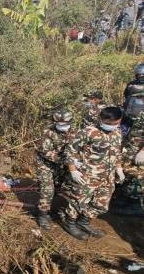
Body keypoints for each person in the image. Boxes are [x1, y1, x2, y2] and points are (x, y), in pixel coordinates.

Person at [62, 106, 124, 240]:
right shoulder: (88, 132)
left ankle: (84, 221)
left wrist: (119, 168)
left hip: (108, 176)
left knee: (101, 205)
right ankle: (69, 223)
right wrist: (73, 171)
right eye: (107, 123)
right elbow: (70, 151)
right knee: (79, 201)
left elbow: (117, 151)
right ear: (101, 119)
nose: (111, 126)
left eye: (114, 123)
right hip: (88, 175)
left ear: (120, 120)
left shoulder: (118, 132)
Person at [35, 109, 73, 230]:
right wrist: (65, 160)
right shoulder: (47, 132)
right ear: (54, 122)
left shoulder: (75, 131)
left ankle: (61, 210)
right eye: (60, 124)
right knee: (47, 189)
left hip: (63, 165)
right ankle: (42, 215)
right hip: (45, 164)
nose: (63, 126)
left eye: (66, 123)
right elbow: (45, 152)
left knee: (64, 187)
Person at [113, 91, 144, 216]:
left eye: (140, 97)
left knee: (139, 176)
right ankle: (127, 198)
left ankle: (136, 205)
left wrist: (143, 151)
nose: (138, 100)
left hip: (140, 152)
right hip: (132, 148)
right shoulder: (134, 111)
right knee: (129, 173)